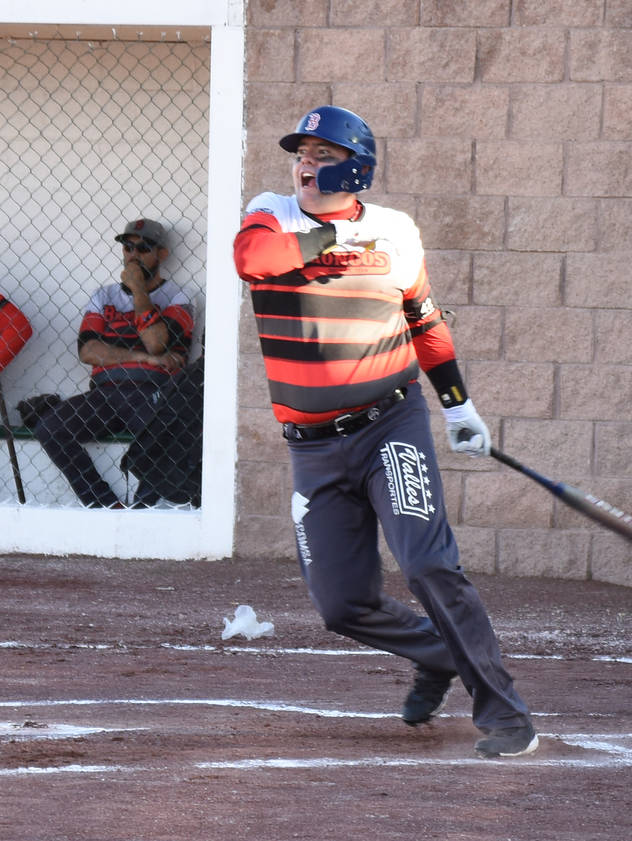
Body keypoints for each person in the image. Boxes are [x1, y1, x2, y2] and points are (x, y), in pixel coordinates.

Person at [232, 105, 537, 759]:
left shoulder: (395, 233)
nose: (305, 166)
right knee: (342, 604)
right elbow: (252, 259)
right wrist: (335, 247)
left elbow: (424, 322)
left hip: (388, 427)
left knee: (427, 563)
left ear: (357, 167)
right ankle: (438, 652)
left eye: (321, 155)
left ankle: (507, 714)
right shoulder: (272, 214)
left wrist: (458, 407)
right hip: (311, 447)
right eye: (301, 154)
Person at [33, 219, 193, 508]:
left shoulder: (177, 298)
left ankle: (143, 509)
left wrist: (139, 291)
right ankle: (104, 505)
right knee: (50, 427)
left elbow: (156, 341)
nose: (133, 255)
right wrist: (143, 357)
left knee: (168, 435)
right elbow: (88, 350)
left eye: (143, 248)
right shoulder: (103, 296)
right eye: (127, 247)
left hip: (153, 392)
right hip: (105, 392)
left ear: (162, 255)